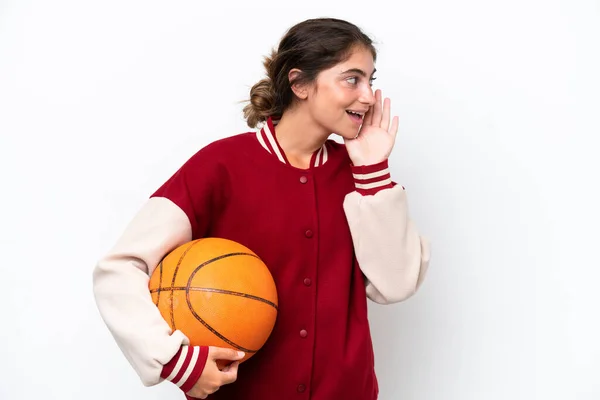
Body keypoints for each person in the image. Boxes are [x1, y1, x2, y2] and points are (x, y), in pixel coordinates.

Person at [92, 17, 431, 400]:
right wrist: (173, 361)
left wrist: (372, 172)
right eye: (352, 79)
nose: (368, 96)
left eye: (371, 80)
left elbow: (397, 285)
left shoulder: (362, 174)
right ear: (300, 83)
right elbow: (119, 269)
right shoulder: (220, 166)